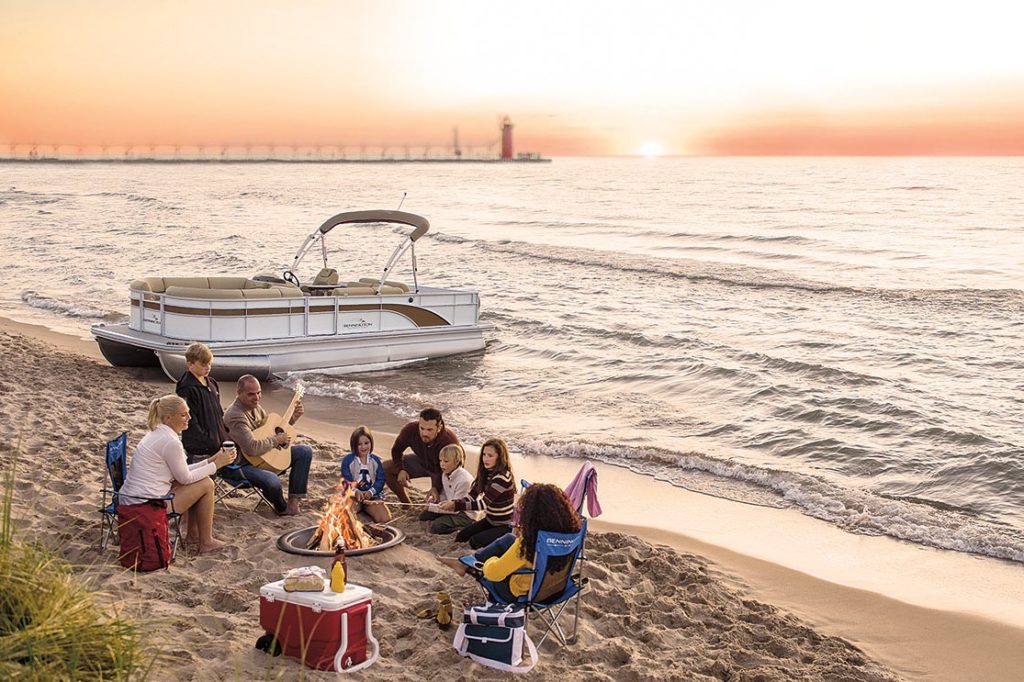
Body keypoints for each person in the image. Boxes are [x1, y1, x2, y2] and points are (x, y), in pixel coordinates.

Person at [118, 394, 234, 553]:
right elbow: (185, 478)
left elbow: (182, 472)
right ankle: (206, 541)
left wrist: (212, 460)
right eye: (183, 414)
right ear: (168, 417)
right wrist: (217, 465)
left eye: (188, 413)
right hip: (146, 506)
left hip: (134, 499)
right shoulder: (170, 442)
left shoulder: (158, 433)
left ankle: (193, 535)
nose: (189, 418)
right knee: (207, 484)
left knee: (199, 481)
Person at [438, 483, 582, 602]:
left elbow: (494, 574)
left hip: (521, 593)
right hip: (555, 589)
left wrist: (492, 561)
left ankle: (467, 564)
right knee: (508, 539)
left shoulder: (528, 544)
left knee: (492, 568)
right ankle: (463, 563)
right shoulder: (570, 535)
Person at [222, 375, 313, 516]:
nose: (257, 397)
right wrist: (276, 440)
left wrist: (292, 419)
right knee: (272, 480)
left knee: (304, 451)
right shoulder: (235, 415)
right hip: (240, 465)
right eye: (251, 394)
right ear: (239, 394)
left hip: (263, 457)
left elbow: (270, 432)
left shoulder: (256, 407)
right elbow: (251, 448)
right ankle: (282, 508)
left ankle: (294, 502)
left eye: (259, 393)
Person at [175, 342, 229, 542]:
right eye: (203, 364)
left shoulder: (211, 383)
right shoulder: (188, 388)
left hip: (216, 441)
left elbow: (218, 412)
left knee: (207, 487)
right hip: (199, 446)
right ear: (190, 365)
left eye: (209, 363)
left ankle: (195, 530)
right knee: (197, 488)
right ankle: (191, 531)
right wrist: (207, 439)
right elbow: (190, 421)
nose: (207, 367)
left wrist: (223, 435)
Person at [446, 438, 516, 549]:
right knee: (461, 537)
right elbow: (471, 496)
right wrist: (453, 502)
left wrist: (456, 506)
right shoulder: (486, 472)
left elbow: (483, 504)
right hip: (490, 520)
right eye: (484, 454)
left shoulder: (502, 477)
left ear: (500, 457)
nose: (485, 459)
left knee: (475, 542)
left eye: (490, 455)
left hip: (504, 525)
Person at [383, 407, 460, 504]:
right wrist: (400, 469)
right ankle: (406, 503)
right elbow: (396, 450)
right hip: (421, 462)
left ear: (439, 428)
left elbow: (456, 469)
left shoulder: (449, 441)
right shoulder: (410, 430)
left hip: (442, 471)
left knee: (432, 508)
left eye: (429, 430)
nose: (424, 433)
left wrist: (436, 487)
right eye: (422, 428)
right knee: (385, 468)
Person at [418, 443, 477, 534]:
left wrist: (432, 507)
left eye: (446, 461)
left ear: (456, 461)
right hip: (451, 507)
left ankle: (465, 527)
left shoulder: (464, 480)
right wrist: (433, 501)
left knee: (437, 526)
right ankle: (445, 519)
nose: (442, 464)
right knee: (424, 516)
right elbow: (445, 494)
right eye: (440, 461)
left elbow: (456, 507)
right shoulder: (445, 474)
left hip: (464, 513)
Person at [340, 425, 391, 524]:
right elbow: (346, 480)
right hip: (354, 495)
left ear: (371, 443)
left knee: (384, 519)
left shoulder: (375, 460)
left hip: (372, 496)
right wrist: (356, 491)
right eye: (359, 444)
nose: (363, 447)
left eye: (366, 443)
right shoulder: (348, 460)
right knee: (346, 515)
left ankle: (366, 508)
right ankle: (359, 508)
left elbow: (381, 479)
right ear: (354, 445)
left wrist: (371, 492)